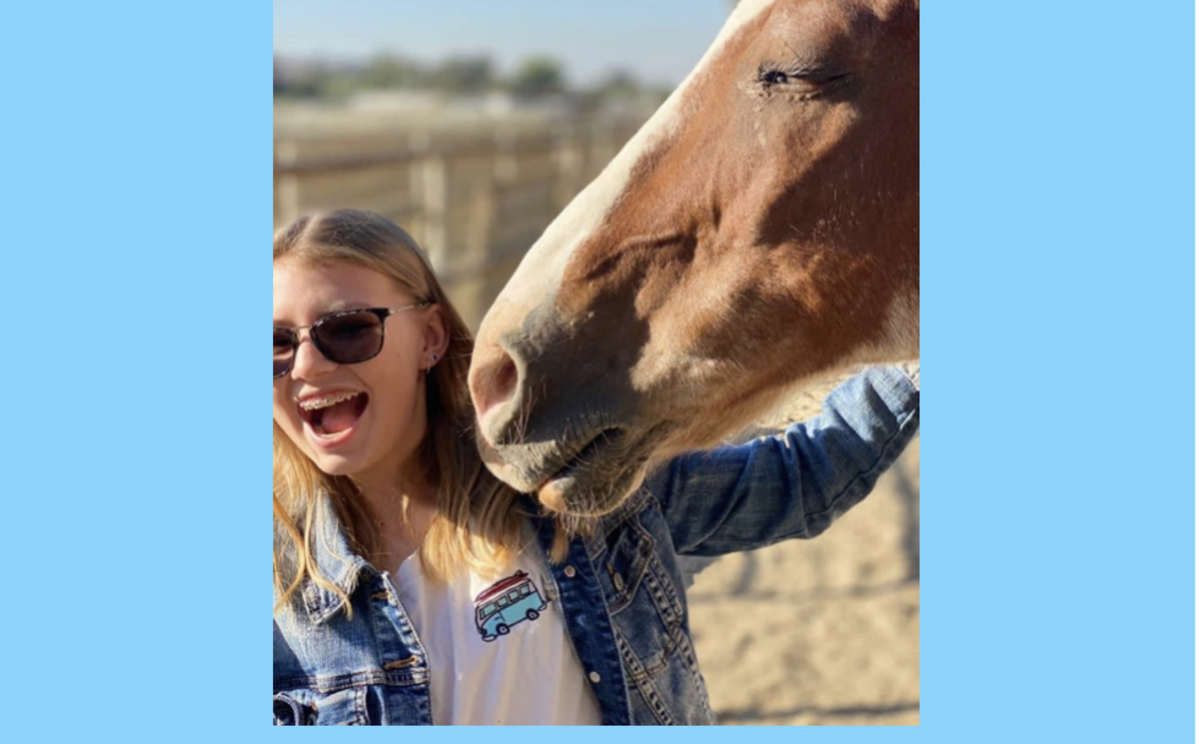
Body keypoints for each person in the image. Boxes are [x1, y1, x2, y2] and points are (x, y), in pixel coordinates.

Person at [272, 209, 920, 726]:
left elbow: (798, 479)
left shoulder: (570, 487)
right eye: (274, 342)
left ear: (431, 337)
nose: (306, 365)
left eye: (348, 329)